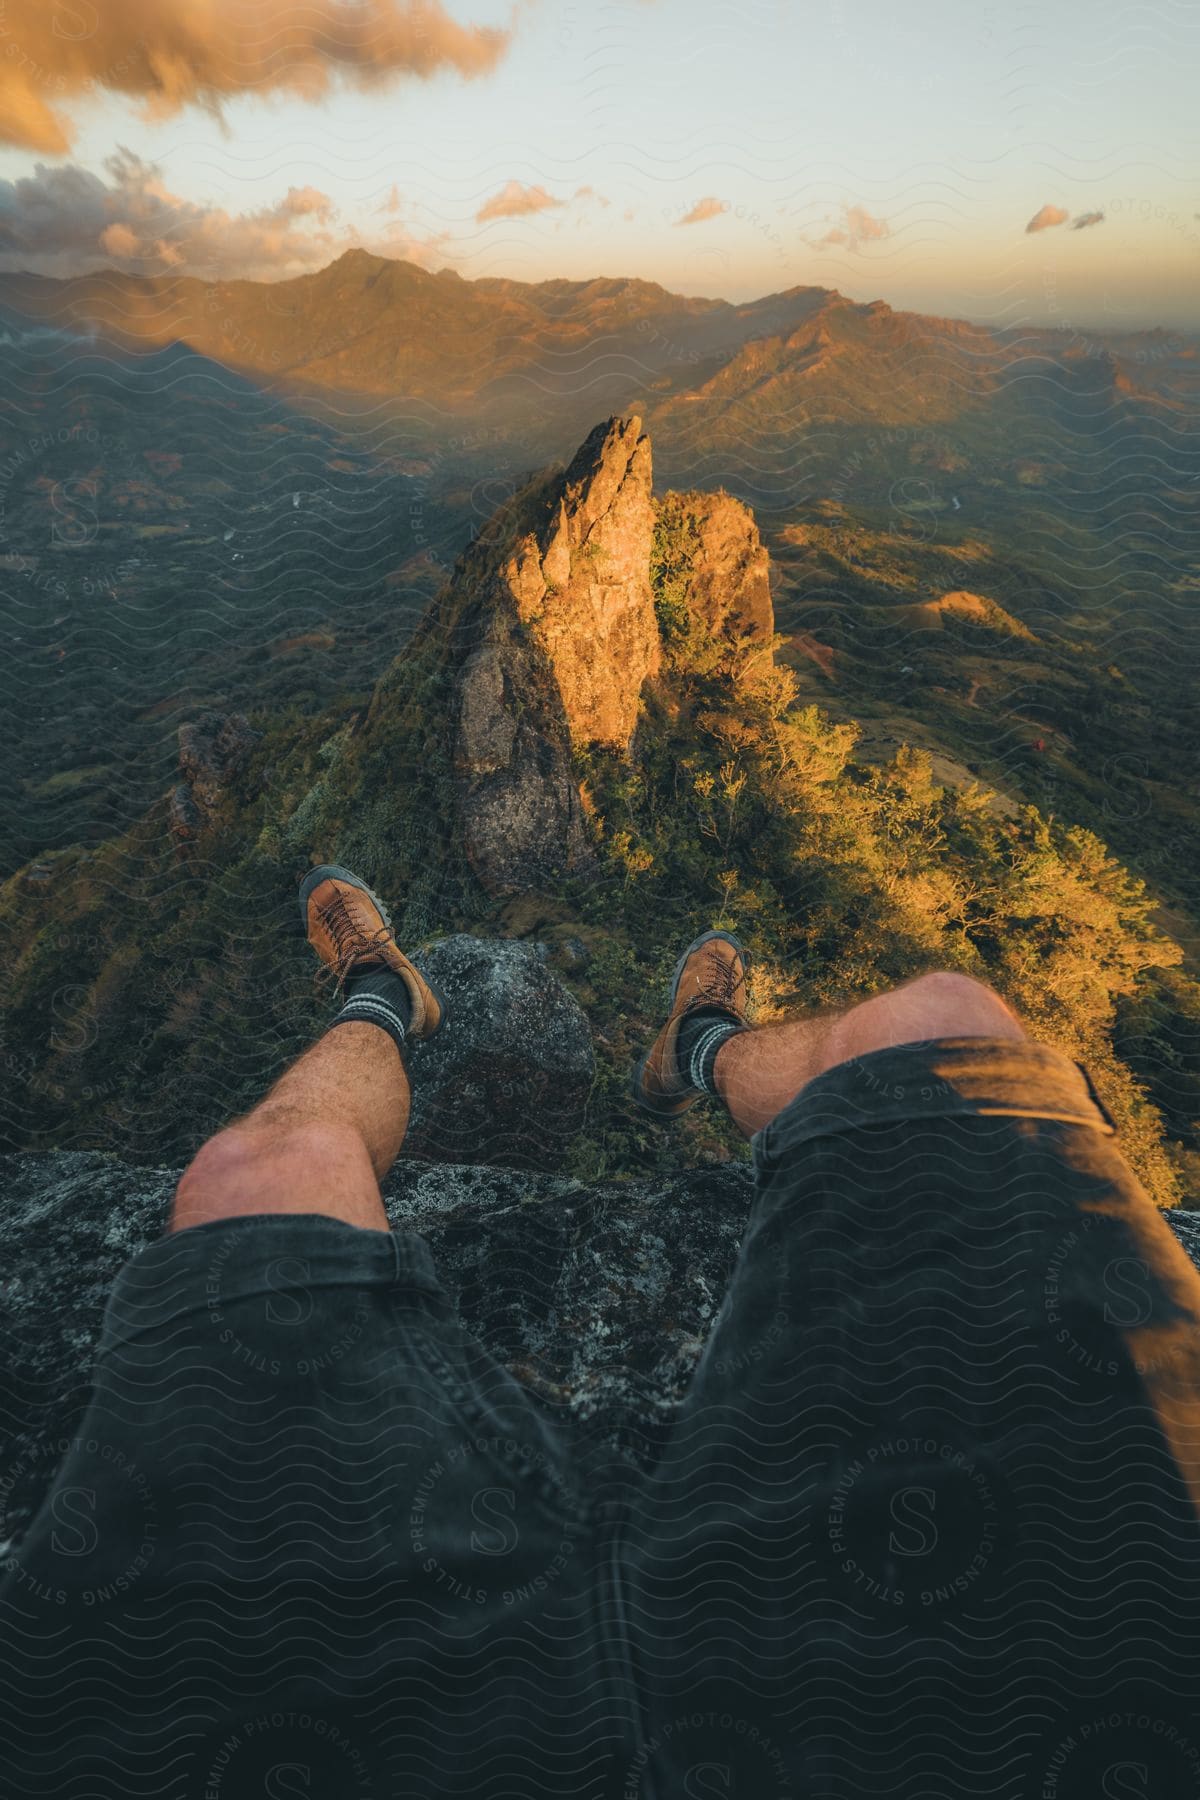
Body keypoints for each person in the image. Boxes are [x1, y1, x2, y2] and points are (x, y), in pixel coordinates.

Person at [3, 862, 1200, 1798]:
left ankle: (386, 994)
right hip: (987, 1690)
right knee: (945, 1018)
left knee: (255, 1172)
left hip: (374, 1732)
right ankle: (699, 1044)